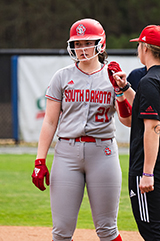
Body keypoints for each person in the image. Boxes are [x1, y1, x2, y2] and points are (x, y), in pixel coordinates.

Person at [31, 18, 132, 241]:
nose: (82, 48)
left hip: (103, 152)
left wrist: (120, 91)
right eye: (77, 44)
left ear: (101, 44)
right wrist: (40, 161)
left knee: (107, 229)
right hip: (66, 152)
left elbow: (128, 121)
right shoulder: (62, 76)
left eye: (87, 43)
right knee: (61, 231)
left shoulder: (113, 76)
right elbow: (49, 121)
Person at [112, 25, 160, 241]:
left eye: (139, 45)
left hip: (149, 169)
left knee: (151, 231)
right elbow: (145, 105)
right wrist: (125, 88)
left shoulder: (150, 80)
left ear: (146, 48)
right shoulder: (152, 81)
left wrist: (147, 173)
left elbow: (152, 127)